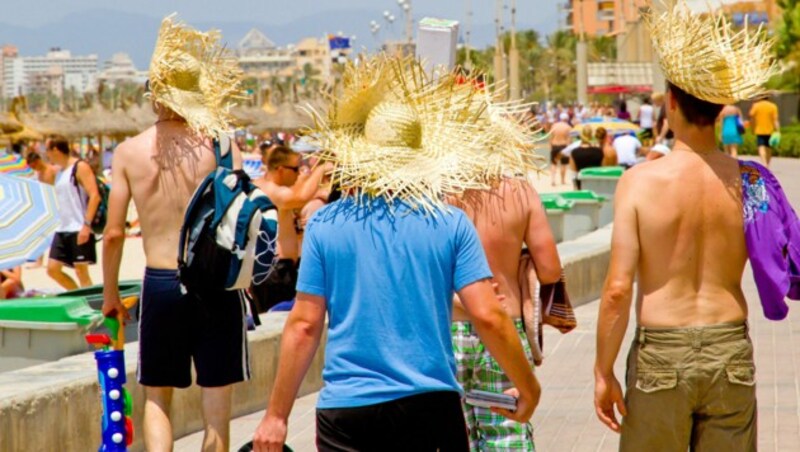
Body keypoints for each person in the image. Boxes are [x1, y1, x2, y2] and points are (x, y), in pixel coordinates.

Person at [252, 55, 540, 452]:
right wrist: (528, 386)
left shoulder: (325, 224)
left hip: (347, 411)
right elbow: (488, 314)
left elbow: (303, 325)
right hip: (430, 406)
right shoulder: (449, 223)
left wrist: (276, 416)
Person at [595, 3, 779, 450]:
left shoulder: (638, 182)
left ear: (671, 103)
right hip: (729, 345)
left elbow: (618, 289)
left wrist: (603, 371)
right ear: (719, 111)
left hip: (662, 351)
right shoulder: (750, 181)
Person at [101, 16, 248, 452]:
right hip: (216, 285)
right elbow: (239, 217)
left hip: (161, 282)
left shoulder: (129, 152)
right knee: (217, 408)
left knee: (158, 399)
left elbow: (111, 235)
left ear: (154, 94)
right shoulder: (222, 146)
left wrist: (111, 295)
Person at [449, 179, 561, 451]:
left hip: (448, 329)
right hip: (503, 326)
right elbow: (550, 270)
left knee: (451, 433)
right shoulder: (521, 193)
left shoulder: (439, 189)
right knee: (507, 432)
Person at [250, 145, 330, 313]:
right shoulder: (270, 190)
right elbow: (300, 197)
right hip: (275, 271)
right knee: (276, 323)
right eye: (295, 169)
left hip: (272, 269)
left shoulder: (265, 186)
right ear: (280, 170)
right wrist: (322, 168)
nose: (298, 173)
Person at [45, 136, 101, 290]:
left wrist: (86, 225)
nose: (46, 154)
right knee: (52, 270)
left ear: (55, 150)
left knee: (81, 272)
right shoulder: (59, 172)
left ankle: (91, 305)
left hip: (79, 227)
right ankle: (77, 297)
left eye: (47, 150)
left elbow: (95, 195)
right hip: (62, 228)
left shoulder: (80, 166)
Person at [749, 94, 780, 166]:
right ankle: (767, 164)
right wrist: (778, 130)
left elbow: (751, 117)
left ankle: (764, 163)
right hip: (770, 130)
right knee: (768, 148)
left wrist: (752, 128)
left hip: (759, 130)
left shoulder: (756, 106)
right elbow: (775, 120)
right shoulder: (773, 106)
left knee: (761, 147)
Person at [549, 113, 572, 186]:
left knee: (554, 163)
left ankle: (553, 180)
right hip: (563, 146)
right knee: (563, 164)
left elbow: (550, 137)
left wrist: (550, 146)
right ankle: (562, 180)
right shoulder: (568, 127)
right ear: (567, 119)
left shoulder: (554, 126)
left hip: (555, 145)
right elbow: (569, 139)